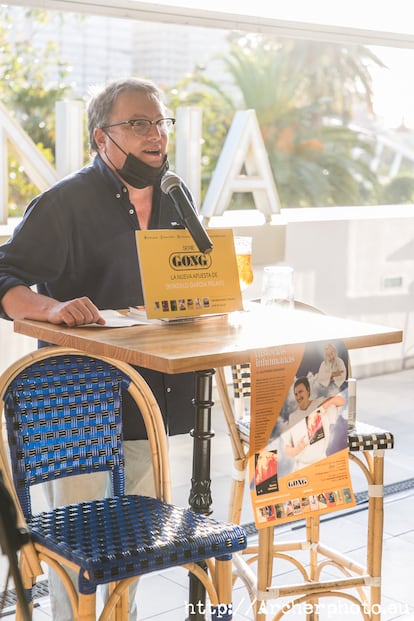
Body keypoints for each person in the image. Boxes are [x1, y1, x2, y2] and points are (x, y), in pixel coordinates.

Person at [0, 77, 197, 620]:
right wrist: (52, 309)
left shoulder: (178, 198)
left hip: (151, 404)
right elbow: (5, 277)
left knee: (134, 552)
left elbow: (190, 281)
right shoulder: (63, 204)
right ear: (100, 137)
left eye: (160, 122)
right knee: (81, 564)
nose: (154, 133)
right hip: (78, 407)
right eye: (137, 123)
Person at [281, 376, 346, 471]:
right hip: (302, 468)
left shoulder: (319, 403)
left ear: (308, 391)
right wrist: (297, 448)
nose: (298, 396)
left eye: (300, 392)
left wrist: (325, 405)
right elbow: (286, 450)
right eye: (296, 394)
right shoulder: (292, 418)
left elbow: (341, 401)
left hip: (322, 463)